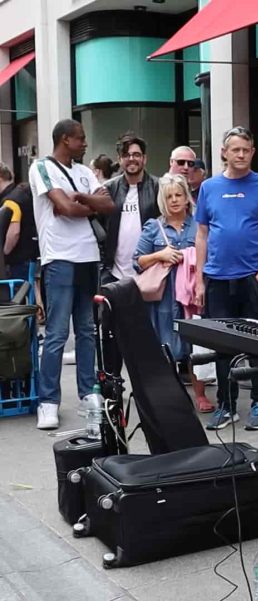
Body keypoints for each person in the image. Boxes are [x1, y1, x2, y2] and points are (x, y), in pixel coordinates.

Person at [194, 126, 258, 431]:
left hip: (254, 278)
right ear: (224, 152)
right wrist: (198, 279)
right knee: (223, 346)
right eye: (236, 149)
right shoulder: (209, 187)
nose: (241, 155)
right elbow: (202, 235)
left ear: (253, 152)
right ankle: (227, 404)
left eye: (246, 149)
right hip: (218, 278)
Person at [29, 119, 116, 430]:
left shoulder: (83, 172)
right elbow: (63, 207)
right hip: (59, 258)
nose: (85, 143)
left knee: (87, 331)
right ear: (65, 139)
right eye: (80, 138)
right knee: (55, 334)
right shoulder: (42, 167)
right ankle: (48, 402)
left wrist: (81, 201)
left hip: (88, 257)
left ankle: (87, 396)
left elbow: (108, 204)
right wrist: (81, 203)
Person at [132, 174, 200, 392]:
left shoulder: (198, 225)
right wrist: (160, 255)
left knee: (195, 346)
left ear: (187, 197)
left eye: (178, 195)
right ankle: (170, 393)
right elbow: (137, 261)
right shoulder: (153, 226)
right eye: (169, 196)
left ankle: (200, 394)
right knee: (164, 344)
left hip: (190, 294)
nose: (174, 200)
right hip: (163, 296)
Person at [102, 134, 161, 284]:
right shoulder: (108, 189)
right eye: (126, 155)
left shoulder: (158, 187)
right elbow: (100, 229)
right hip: (114, 274)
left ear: (144, 158)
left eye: (136, 154)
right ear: (119, 159)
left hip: (149, 272)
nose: (132, 159)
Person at [0, 162, 37, 282]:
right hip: (32, 257)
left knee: (17, 298)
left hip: (18, 262)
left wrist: (3, 256)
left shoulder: (10, 202)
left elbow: (14, 232)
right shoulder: (24, 192)